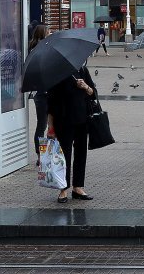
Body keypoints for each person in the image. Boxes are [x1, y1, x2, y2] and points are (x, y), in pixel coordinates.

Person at [47, 63, 97, 203]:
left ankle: (78, 187)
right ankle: (63, 189)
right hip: (63, 120)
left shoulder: (82, 70)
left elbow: (93, 93)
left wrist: (85, 87)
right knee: (64, 156)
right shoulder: (57, 73)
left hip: (82, 119)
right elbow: (51, 103)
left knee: (81, 153)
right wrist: (50, 127)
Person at [29, 24, 50, 167]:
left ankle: (41, 155)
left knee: (42, 125)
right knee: (46, 125)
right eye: (48, 31)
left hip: (41, 93)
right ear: (43, 33)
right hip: (45, 92)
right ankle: (43, 154)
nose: (51, 32)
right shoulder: (42, 49)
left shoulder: (34, 49)